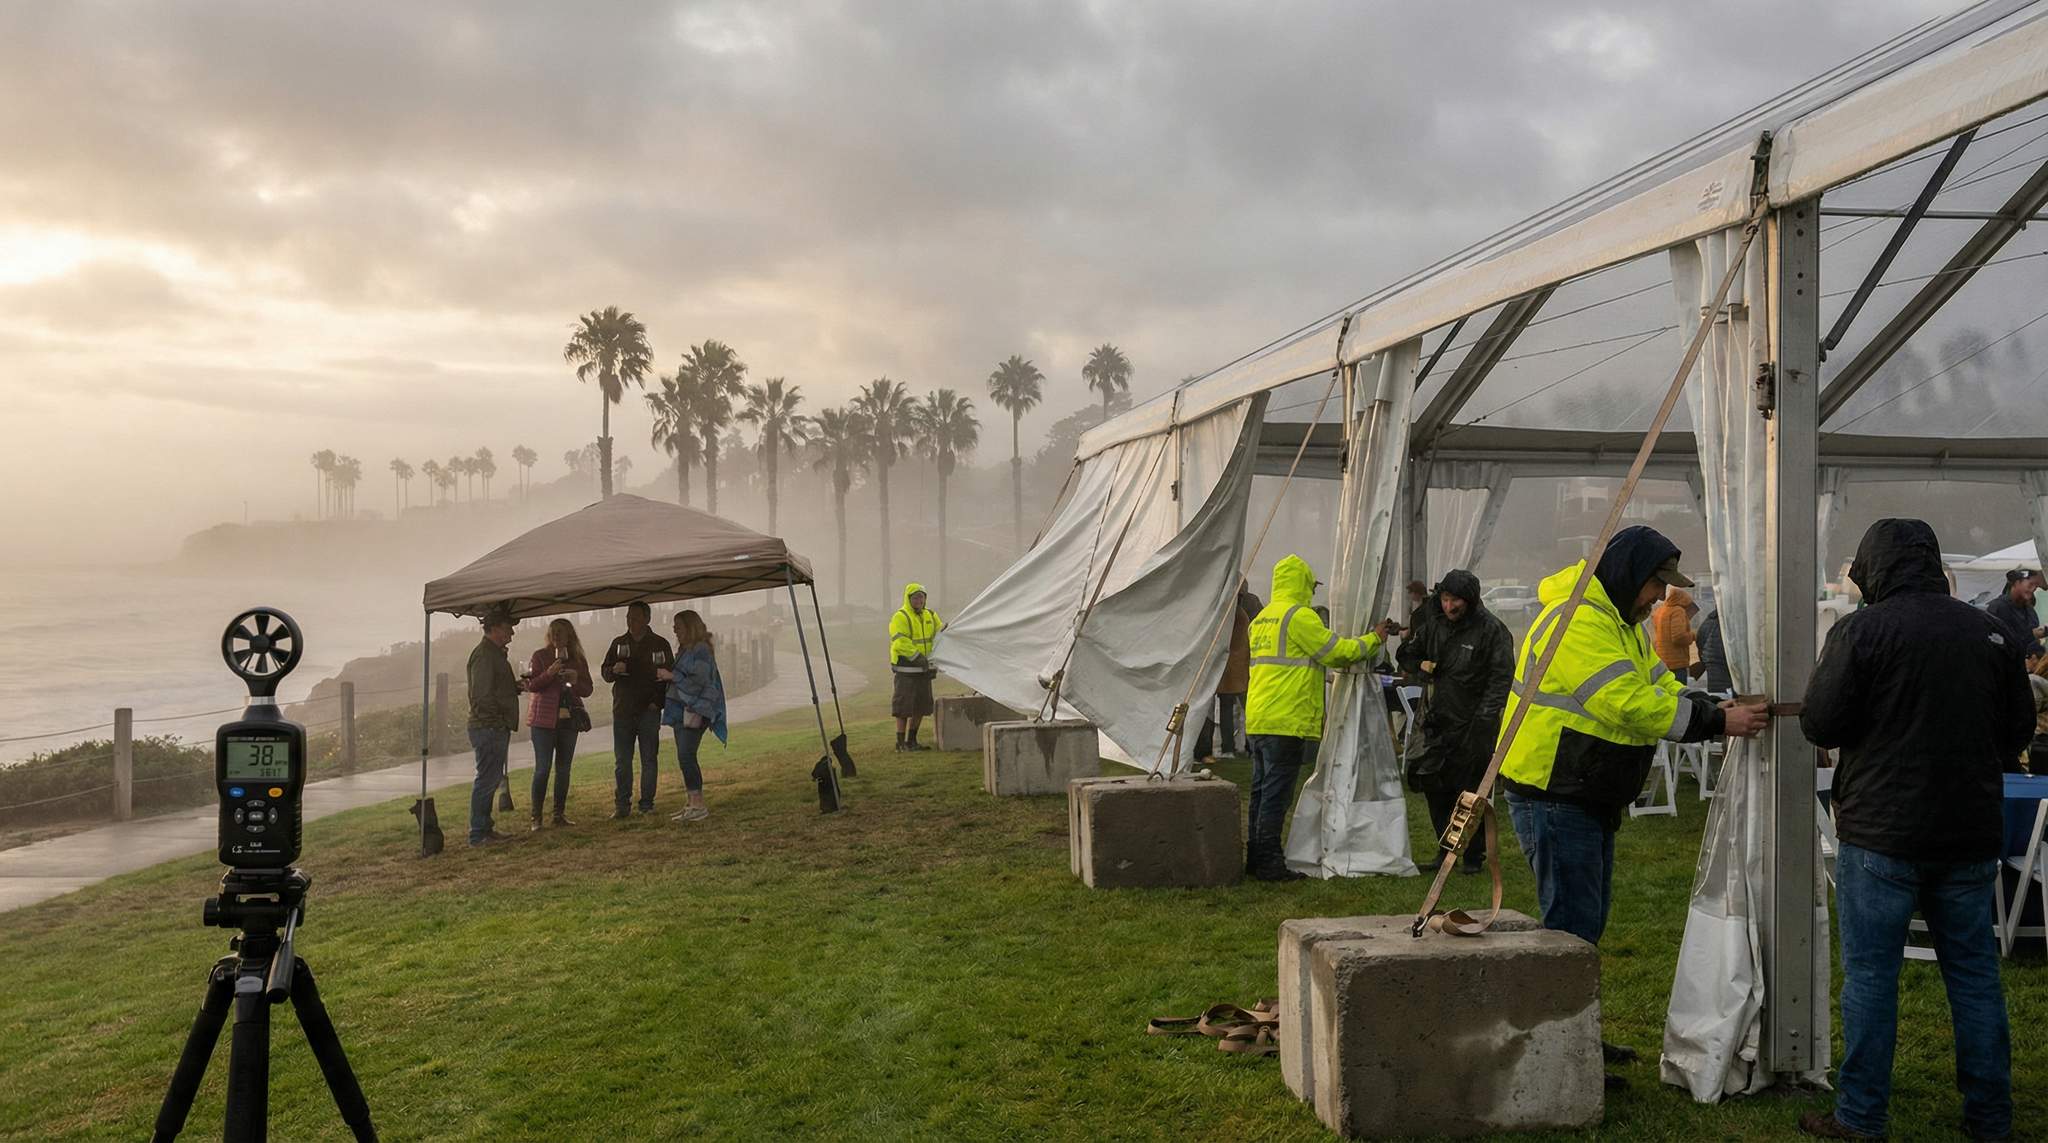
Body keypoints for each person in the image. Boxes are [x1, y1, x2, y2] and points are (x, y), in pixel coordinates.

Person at [1796, 519, 2034, 1142]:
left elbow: (1820, 722)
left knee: (1873, 977)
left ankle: (1860, 1116)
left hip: (1882, 831)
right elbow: (2016, 733)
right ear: (1931, 564)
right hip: (1969, 831)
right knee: (1974, 976)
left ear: (1873, 570)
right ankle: (1990, 1117)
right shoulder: (1990, 633)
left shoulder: (1861, 631)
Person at [1500, 526, 1766, 1066]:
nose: (1659, 598)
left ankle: (1575, 1038)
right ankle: (1564, 1051)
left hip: (1581, 789)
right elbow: (1623, 701)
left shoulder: (1617, 624)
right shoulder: (1578, 622)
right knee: (1572, 926)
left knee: (1584, 920)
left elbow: (1658, 685)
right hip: (1555, 790)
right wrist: (1716, 721)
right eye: (1654, 584)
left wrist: (1712, 702)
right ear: (1626, 575)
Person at [1243, 554, 1395, 882]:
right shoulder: (1300, 617)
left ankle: (1255, 856)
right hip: (1286, 719)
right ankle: (1270, 862)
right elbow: (1337, 651)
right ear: (1302, 583)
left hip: (1258, 717)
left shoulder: (1263, 618)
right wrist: (1374, 639)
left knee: (1259, 791)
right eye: (1311, 586)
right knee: (1275, 795)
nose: (1313, 593)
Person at [1403, 570, 1513, 875]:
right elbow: (1407, 654)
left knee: (1469, 792)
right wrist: (1421, 666)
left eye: (1456, 601)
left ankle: (1473, 855)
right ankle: (1445, 849)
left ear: (1471, 601)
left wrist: (1484, 719)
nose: (1450, 607)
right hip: (1437, 721)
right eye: (1446, 599)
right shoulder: (1435, 624)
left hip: (1474, 724)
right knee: (1434, 786)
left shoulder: (1492, 630)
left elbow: (1501, 678)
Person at [601, 601, 673, 818]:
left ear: (647, 619)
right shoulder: (618, 643)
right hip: (623, 709)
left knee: (649, 758)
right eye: (629, 617)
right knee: (622, 760)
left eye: (636, 618)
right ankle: (622, 805)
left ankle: (646, 804)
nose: (631, 622)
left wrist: (657, 703)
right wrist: (613, 670)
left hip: (648, 710)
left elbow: (668, 675)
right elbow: (605, 673)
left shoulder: (660, 644)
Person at [522, 618, 593, 829]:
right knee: (543, 768)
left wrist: (576, 679)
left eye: (560, 633)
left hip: (569, 720)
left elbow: (587, 690)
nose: (556, 637)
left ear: (569, 635)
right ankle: (536, 817)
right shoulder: (540, 656)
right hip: (543, 721)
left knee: (563, 769)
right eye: (552, 633)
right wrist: (549, 673)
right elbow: (532, 685)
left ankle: (558, 814)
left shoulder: (578, 658)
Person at [658, 609, 727, 823]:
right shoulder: (684, 649)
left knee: (687, 756)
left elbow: (700, 680)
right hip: (680, 711)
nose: (675, 629)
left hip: (695, 711)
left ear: (690, 626)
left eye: (678, 625)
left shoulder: (701, 650)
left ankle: (698, 804)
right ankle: (691, 803)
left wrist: (672, 675)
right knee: (683, 756)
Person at [465, 607, 522, 847]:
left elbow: (493, 690)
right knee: (487, 779)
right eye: (509, 628)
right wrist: (498, 721)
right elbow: (481, 695)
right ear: (496, 627)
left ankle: (485, 829)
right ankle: (478, 834)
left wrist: (513, 687)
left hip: (493, 725)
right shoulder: (485, 656)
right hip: (488, 727)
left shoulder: (494, 654)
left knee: (490, 777)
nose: (512, 633)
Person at [1193, 584, 1253, 765]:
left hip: (1229, 669)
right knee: (1243, 710)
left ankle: (1231, 748)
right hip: (1235, 670)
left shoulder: (1232, 614)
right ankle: (1240, 748)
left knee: (1234, 710)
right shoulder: (1238, 612)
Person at [889, 583, 943, 751]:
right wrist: (918, 657)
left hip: (923, 670)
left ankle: (912, 741)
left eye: (921, 597)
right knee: (903, 708)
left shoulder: (931, 615)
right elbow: (900, 642)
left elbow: (939, 635)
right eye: (915, 597)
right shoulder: (901, 616)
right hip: (906, 670)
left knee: (921, 706)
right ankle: (900, 743)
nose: (919, 600)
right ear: (908, 599)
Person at [1985, 568, 2045, 659]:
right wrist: (2032, 635)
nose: (2033, 589)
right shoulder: (1998, 608)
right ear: (2017, 583)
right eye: (2030, 585)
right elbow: (1997, 643)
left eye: (2035, 586)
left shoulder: (2029, 610)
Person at [1650, 586, 1697, 674]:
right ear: (1683, 600)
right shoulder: (1678, 611)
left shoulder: (1660, 611)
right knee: (1678, 687)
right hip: (1676, 662)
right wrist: (1693, 635)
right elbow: (1678, 637)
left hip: (1662, 660)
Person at [1693, 608, 1733, 695]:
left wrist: (1705, 660)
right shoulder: (1731, 621)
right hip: (1725, 668)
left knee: (1719, 699)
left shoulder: (1708, 621)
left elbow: (1700, 641)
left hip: (1711, 666)